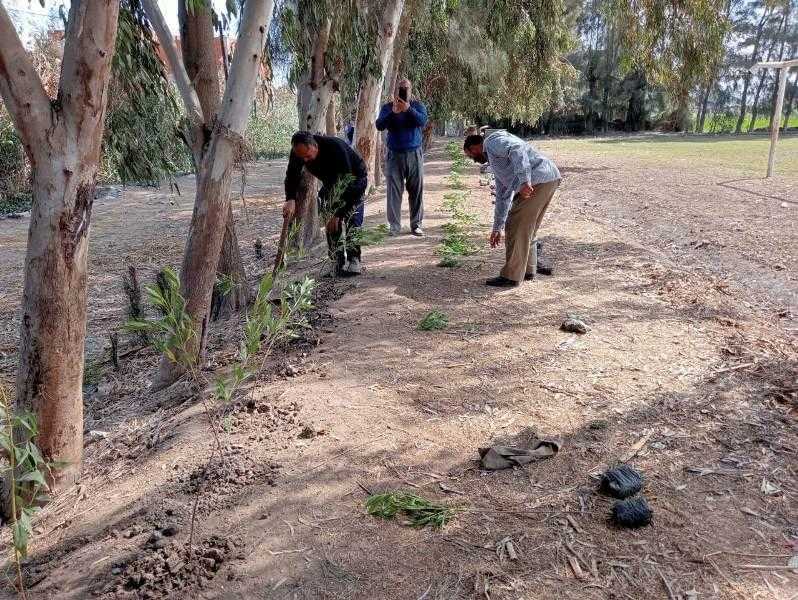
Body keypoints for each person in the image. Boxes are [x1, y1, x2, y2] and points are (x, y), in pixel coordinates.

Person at [463, 130, 561, 288]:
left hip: (538, 179)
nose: (474, 160)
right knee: (526, 227)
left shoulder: (492, 141)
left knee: (516, 226)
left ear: (475, 146)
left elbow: (517, 148)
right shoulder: (497, 162)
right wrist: (497, 227)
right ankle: (528, 270)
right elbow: (502, 196)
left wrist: (524, 180)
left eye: (471, 154)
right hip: (548, 177)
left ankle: (511, 276)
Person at [283, 131, 368, 276]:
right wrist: (290, 198)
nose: (305, 160)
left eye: (308, 156)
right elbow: (292, 174)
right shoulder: (299, 152)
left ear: (315, 146)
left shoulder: (335, 148)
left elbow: (345, 184)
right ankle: (336, 261)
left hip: (353, 182)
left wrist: (337, 214)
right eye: (302, 157)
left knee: (352, 219)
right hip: (331, 184)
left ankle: (354, 260)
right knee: (330, 224)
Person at [376, 77, 428, 236]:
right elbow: (379, 125)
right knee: (393, 191)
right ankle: (394, 226)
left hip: (414, 153)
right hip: (394, 155)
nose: (403, 90)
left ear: (411, 90)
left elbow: (422, 121)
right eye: (400, 88)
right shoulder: (387, 108)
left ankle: (416, 225)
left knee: (416, 190)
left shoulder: (417, 106)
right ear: (395, 91)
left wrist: (408, 109)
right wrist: (393, 113)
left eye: (406, 88)